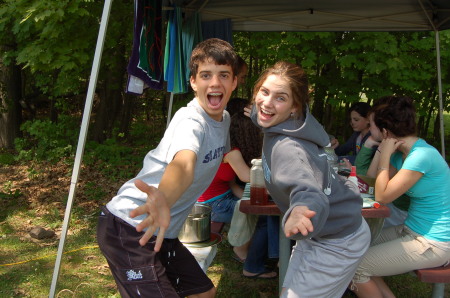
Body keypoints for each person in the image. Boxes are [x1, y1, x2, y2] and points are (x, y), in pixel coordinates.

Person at [96, 38, 238, 298]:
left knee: (204, 294)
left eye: (224, 75)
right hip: (131, 226)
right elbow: (184, 163)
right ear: (193, 82)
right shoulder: (190, 120)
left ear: (234, 82)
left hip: (164, 231)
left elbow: (221, 157)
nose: (215, 83)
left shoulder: (224, 119)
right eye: (206, 75)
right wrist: (163, 197)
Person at [250, 61, 371, 297]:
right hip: (321, 234)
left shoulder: (288, 147)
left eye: (280, 98)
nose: (267, 102)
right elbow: (261, 111)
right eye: (264, 92)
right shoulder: (286, 124)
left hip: (337, 239)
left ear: (295, 107)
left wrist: (301, 208)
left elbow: (309, 190)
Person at [351, 95, 450, 298]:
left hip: (433, 242)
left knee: (357, 267)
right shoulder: (401, 153)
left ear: (385, 131)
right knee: (354, 251)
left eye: (372, 126)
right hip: (411, 230)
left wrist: (385, 155)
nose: (370, 130)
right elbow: (370, 179)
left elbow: (382, 196)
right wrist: (382, 149)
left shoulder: (421, 156)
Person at [198, 100, 279, 279]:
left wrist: (250, 202)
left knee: (263, 209)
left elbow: (232, 185)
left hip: (221, 197)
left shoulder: (227, 145)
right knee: (265, 216)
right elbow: (248, 177)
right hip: (213, 205)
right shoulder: (231, 152)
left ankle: (272, 254)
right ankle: (244, 254)